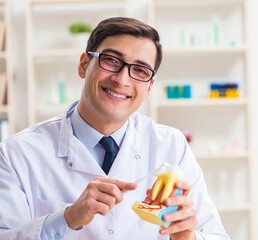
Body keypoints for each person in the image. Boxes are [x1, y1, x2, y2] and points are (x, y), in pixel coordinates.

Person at [0, 17, 230, 240]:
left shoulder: (171, 145)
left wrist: (186, 238)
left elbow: (216, 236)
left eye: (140, 70)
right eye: (111, 60)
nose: (122, 79)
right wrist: (67, 218)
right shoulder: (16, 153)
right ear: (83, 65)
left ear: (149, 88)